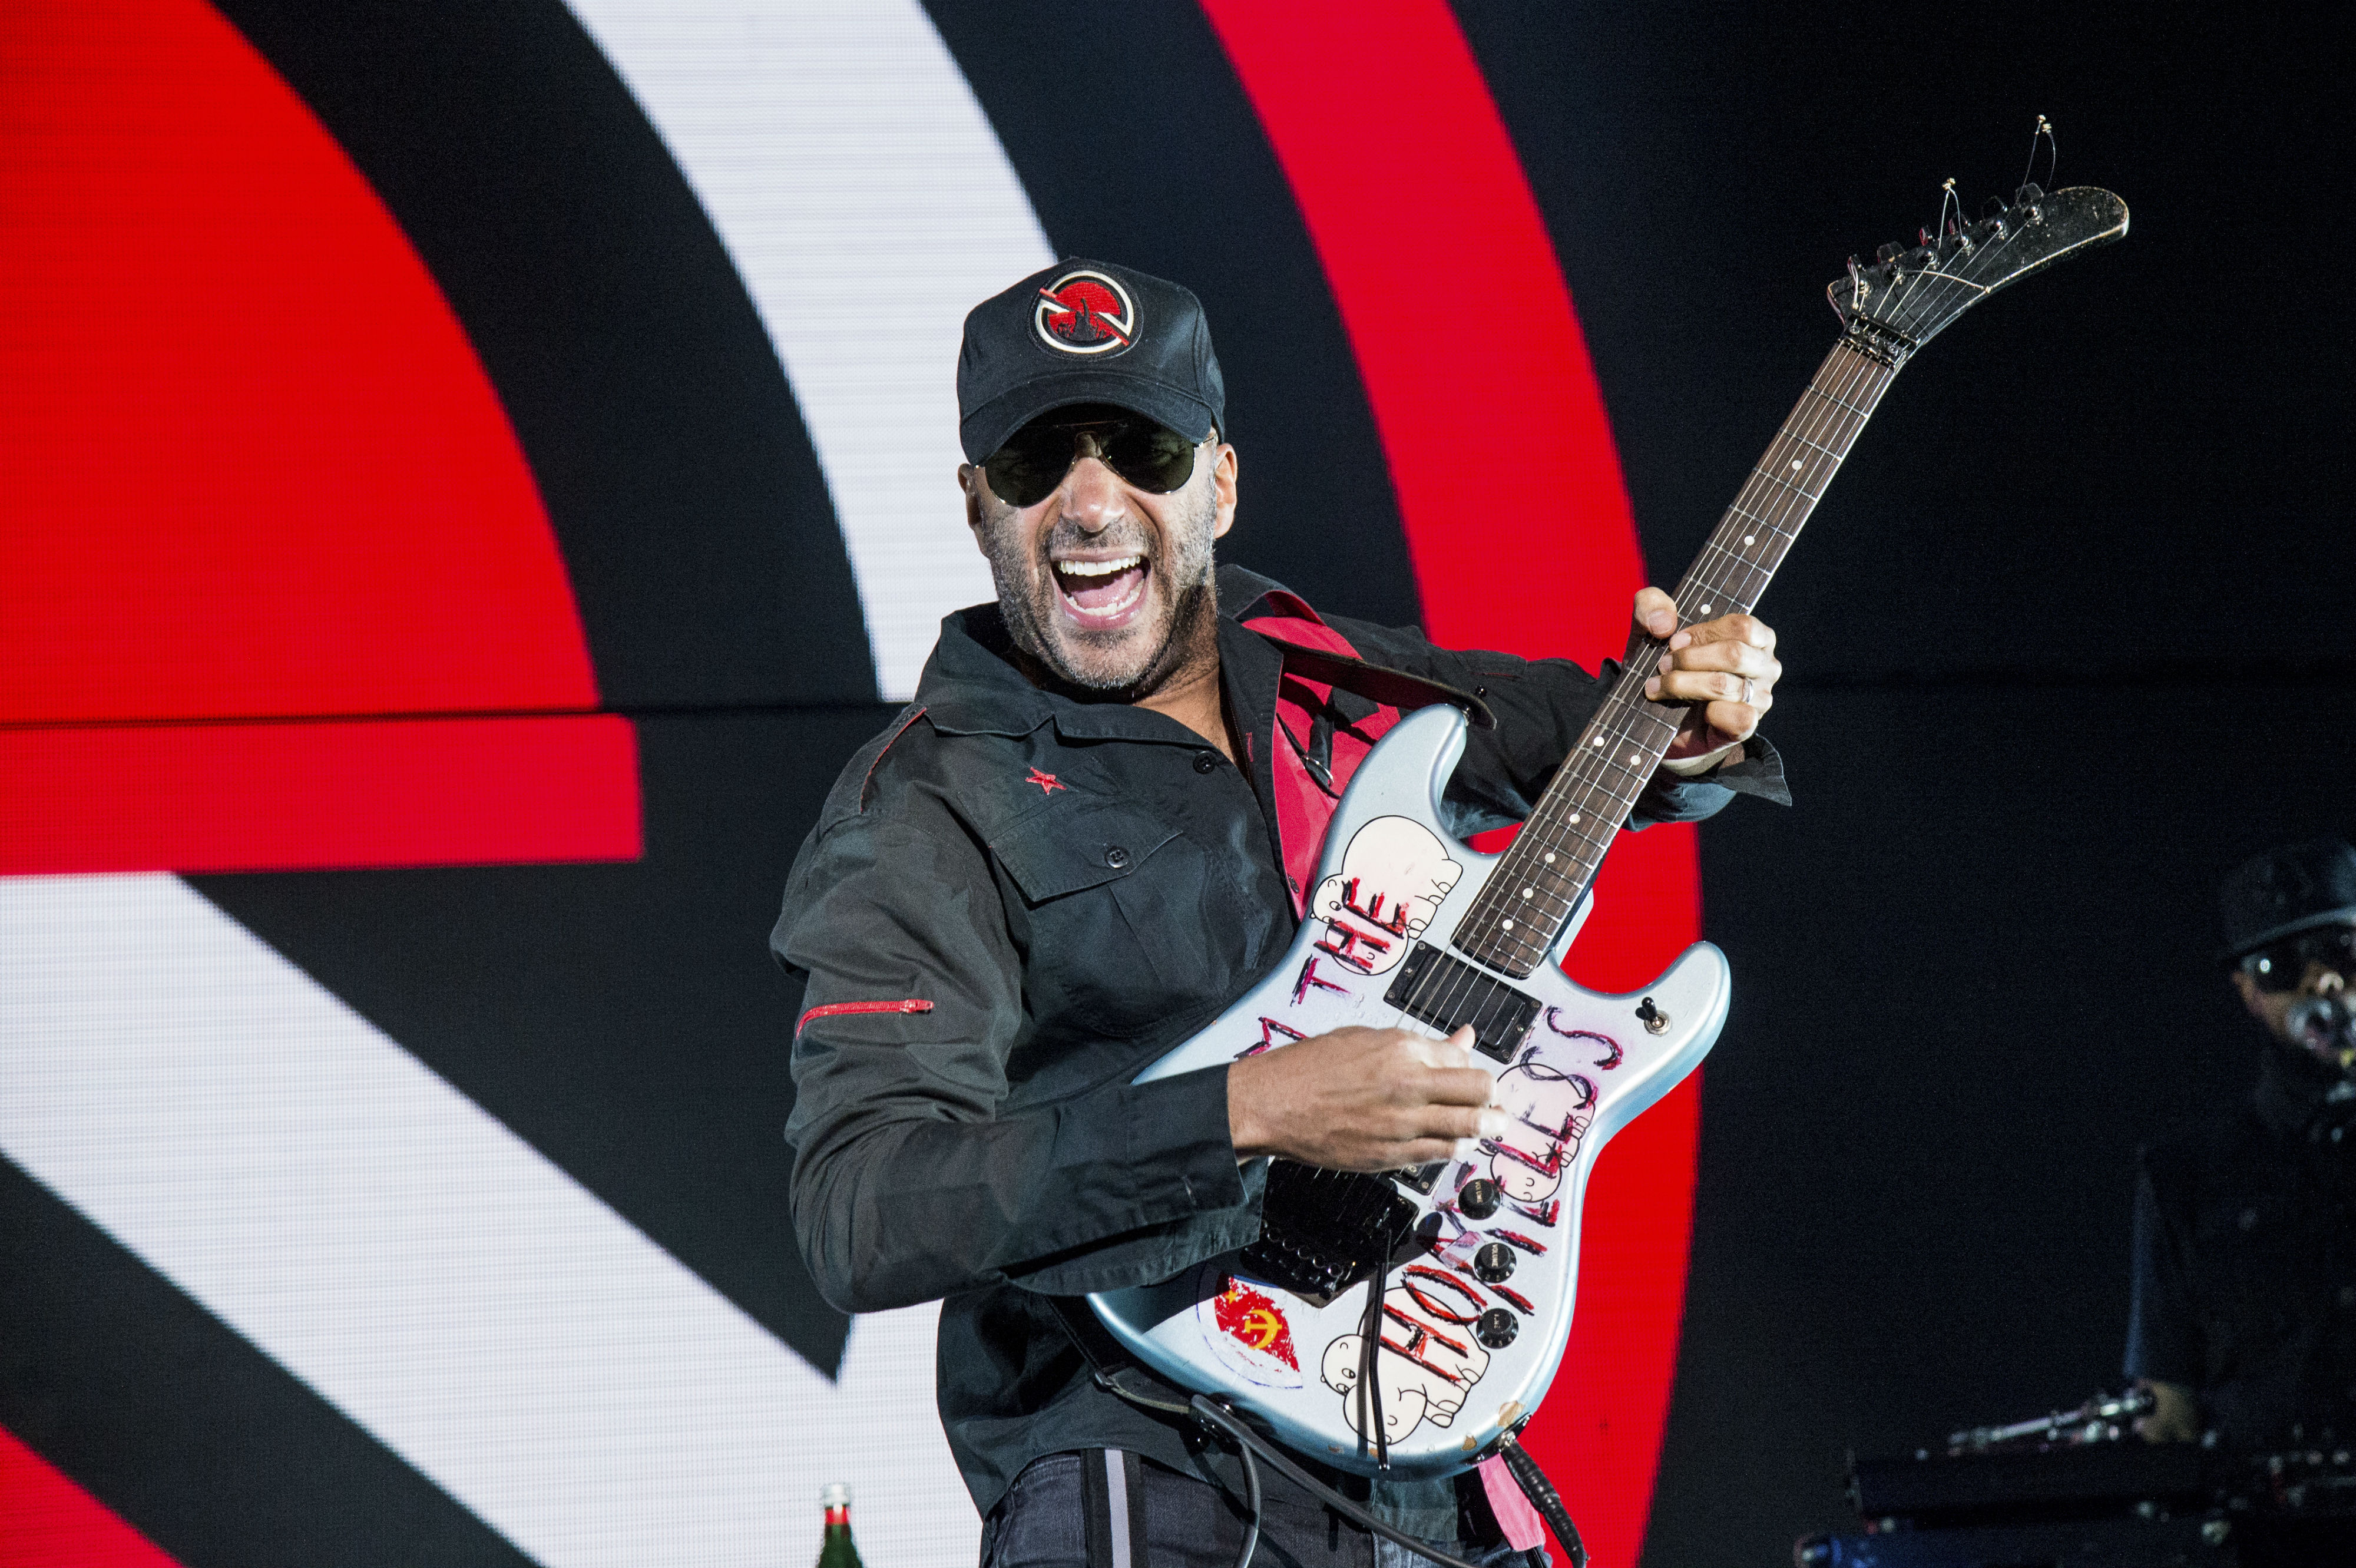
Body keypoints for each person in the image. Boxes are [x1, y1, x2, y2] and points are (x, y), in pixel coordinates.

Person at [774, 259, 1791, 1564]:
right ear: (978, 506)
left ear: (1219, 483)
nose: (1090, 504)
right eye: (1034, 463)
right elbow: (863, 1208)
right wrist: (1248, 1111)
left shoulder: (1342, 678)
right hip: (1140, 1455)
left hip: (1425, 1455)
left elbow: (1602, 740)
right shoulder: (921, 806)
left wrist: (1698, 722)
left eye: (1139, 448)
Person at [2128, 838, 2356, 1448]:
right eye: (2280, 965)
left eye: (2340, 950)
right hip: (2272, 1534)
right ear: (2247, 992)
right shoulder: (2183, 1178)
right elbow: (2167, 1414)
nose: (2322, 979)